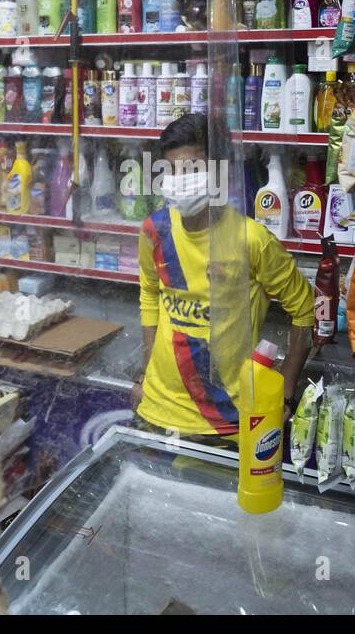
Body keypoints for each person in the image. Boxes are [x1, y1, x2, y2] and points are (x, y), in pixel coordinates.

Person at [133, 113, 315, 447]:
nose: (179, 180)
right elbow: (149, 297)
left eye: (192, 169)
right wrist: (144, 375)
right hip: (156, 413)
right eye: (171, 170)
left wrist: (285, 391)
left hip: (227, 423)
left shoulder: (252, 239)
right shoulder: (153, 231)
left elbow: (305, 308)